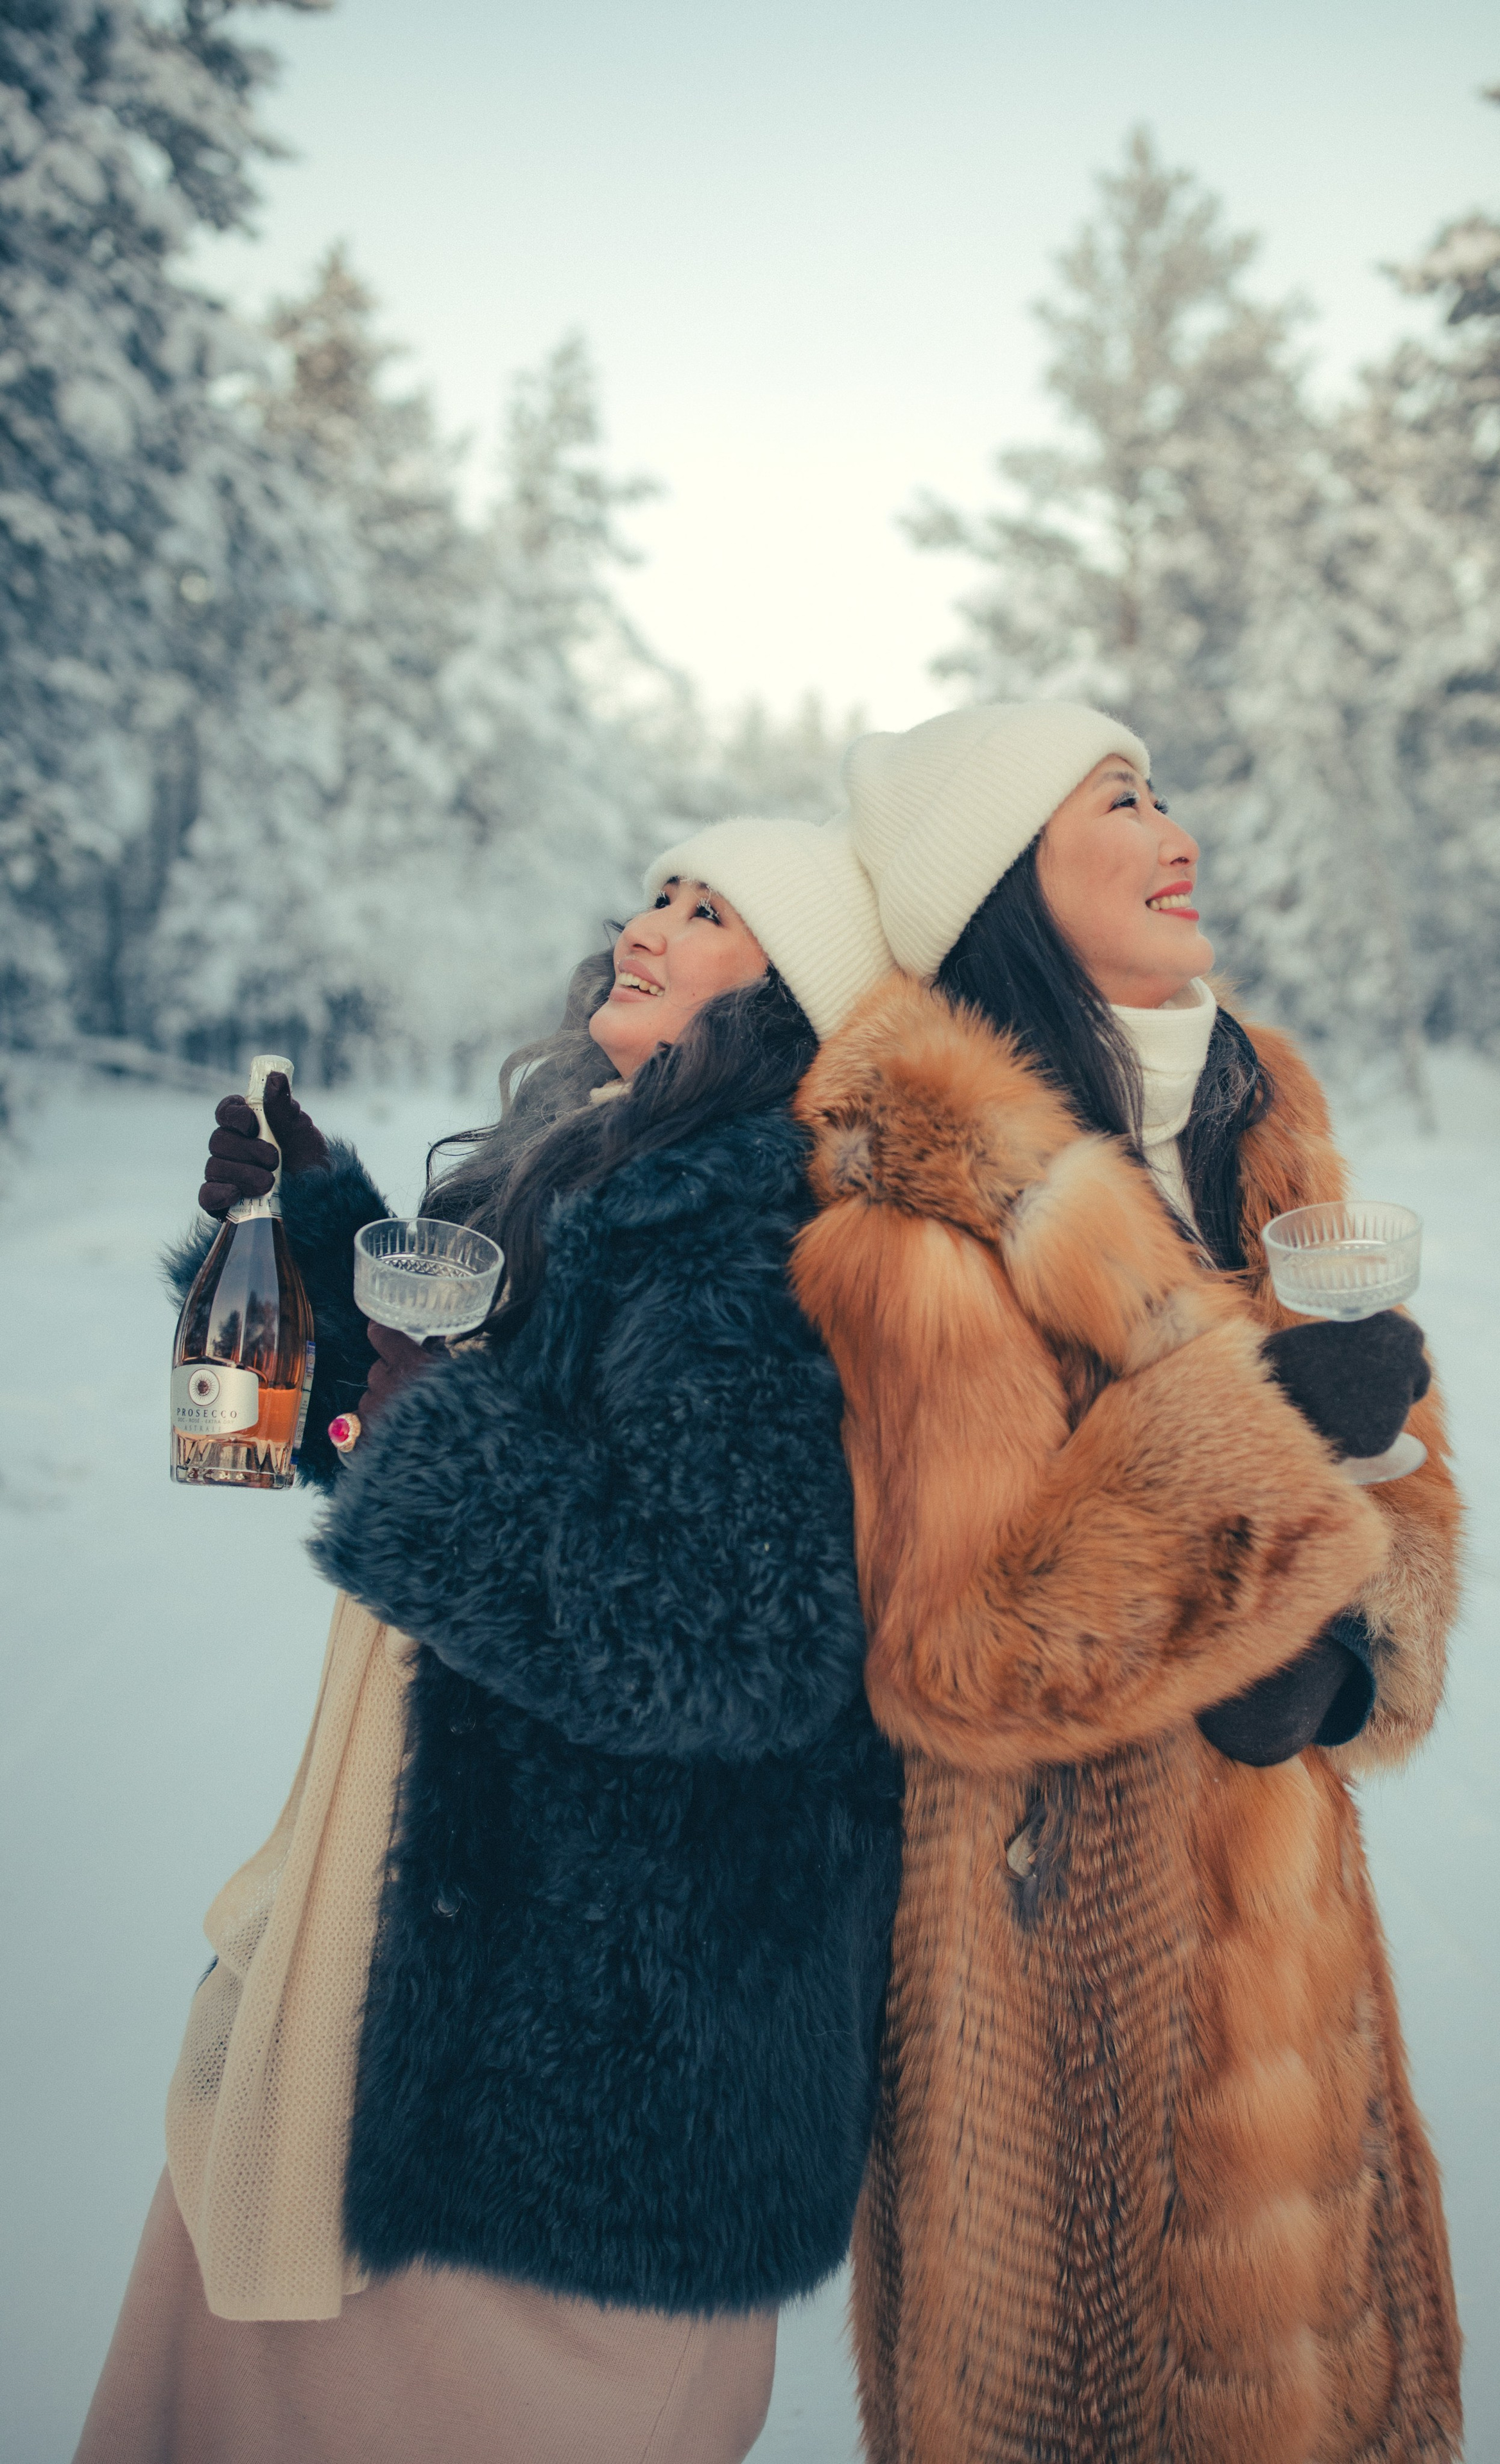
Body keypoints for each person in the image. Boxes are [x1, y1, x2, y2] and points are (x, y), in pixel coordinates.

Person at [77, 819, 901, 2464]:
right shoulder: (597, 1170)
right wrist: (307, 1233)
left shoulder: (759, 1227)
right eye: (653, 892)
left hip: (589, 2074)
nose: (645, 923)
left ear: (800, 993)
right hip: (426, 1977)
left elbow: (728, 1638)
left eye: (708, 908)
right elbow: (395, 1436)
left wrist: (432, 1437)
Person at [789, 703, 1464, 2464]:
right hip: (1062, 1987)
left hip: (1291, 1950)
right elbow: (956, 1656)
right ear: (1005, 874)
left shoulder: (1259, 1119)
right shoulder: (918, 1218)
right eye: (1119, 797)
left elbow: (1388, 1496)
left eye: (1163, 789)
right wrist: (1247, 1456)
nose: (1176, 827)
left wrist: (1361, 1629)